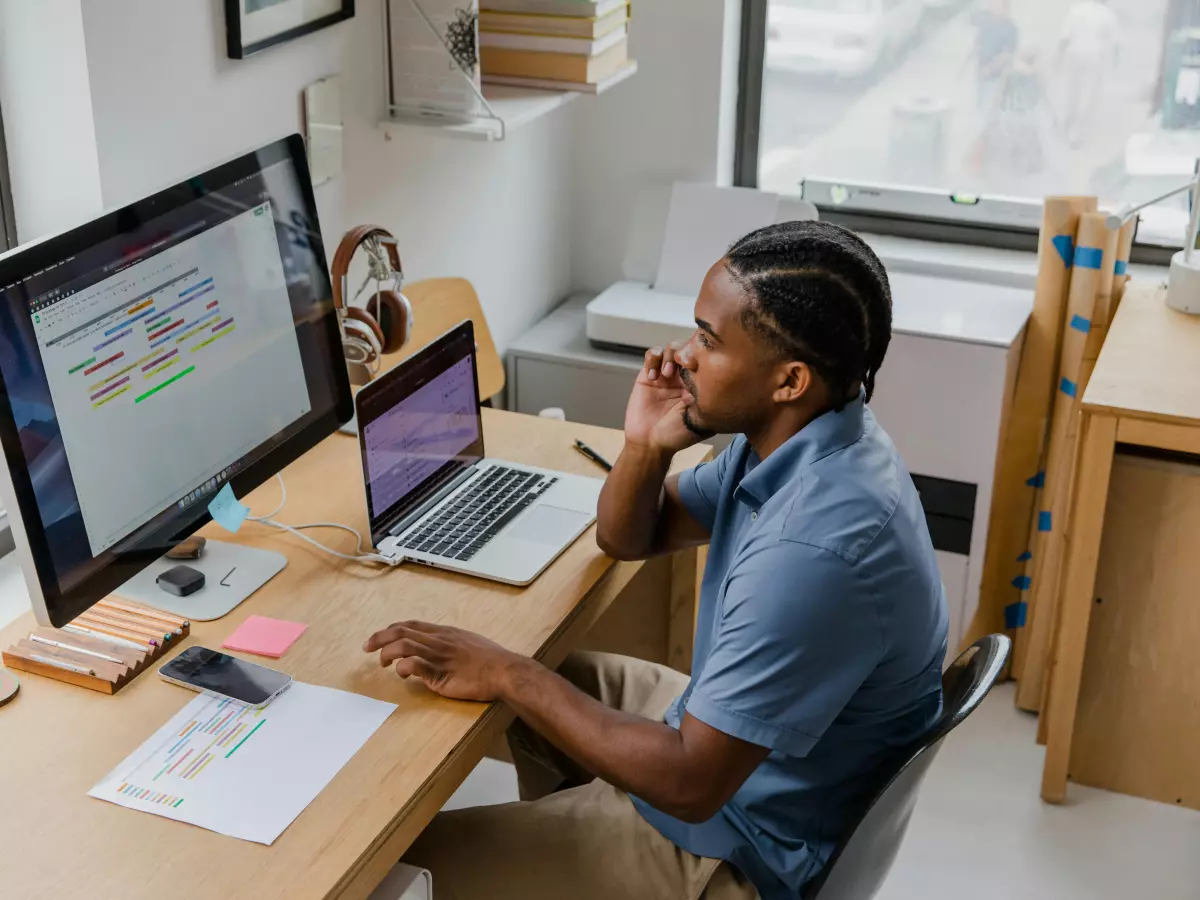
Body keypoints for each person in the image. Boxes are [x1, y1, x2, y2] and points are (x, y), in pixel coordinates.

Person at [363, 221, 949, 900]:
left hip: (740, 847)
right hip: (747, 763)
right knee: (531, 682)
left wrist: (507, 673)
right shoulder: (806, 440)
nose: (681, 355)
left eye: (708, 339)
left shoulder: (815, 548)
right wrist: (645, 444)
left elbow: (689, 783)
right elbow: (628, 537)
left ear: (789, 380)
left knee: (399, 875)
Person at [1055, 0, 1120, 146]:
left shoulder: (1076, 10)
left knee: (1072, 93)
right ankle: (1076, 134)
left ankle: (1066, 127)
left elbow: (1065, 36)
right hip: (1095, 58)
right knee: (1088, 97)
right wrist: (1115, 64)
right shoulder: (1107, 14)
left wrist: (1058, 58)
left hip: (1074, 54)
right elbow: (1115, 43)